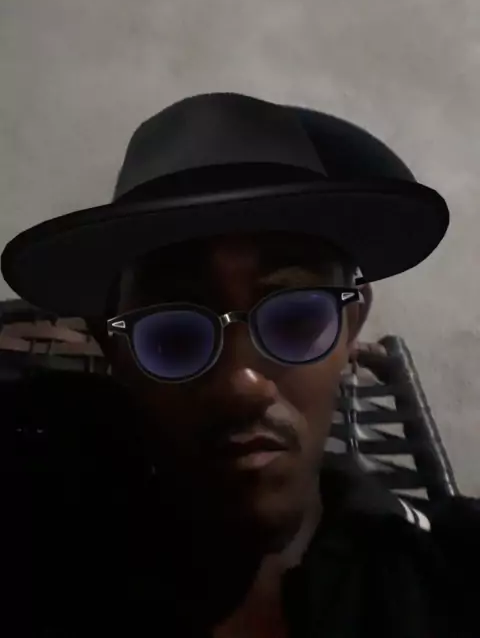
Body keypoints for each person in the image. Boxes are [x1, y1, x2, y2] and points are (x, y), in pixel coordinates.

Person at [0, 92, 477, 638]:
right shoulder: (39, 564)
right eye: (174, 335)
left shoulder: (452, 573)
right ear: (117, 350)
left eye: (295, 320)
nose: (242, 385)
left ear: (350, 326)